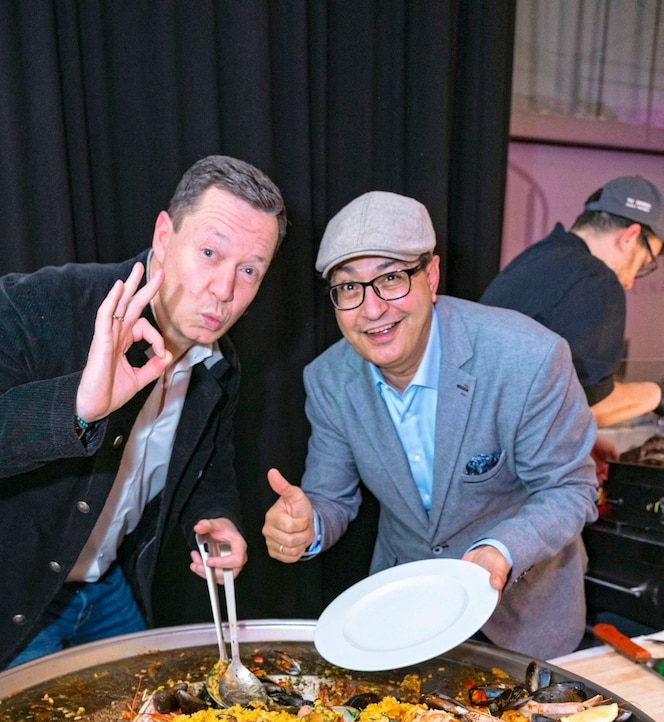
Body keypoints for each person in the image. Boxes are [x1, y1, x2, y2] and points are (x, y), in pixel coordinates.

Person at [0, 155, 286, 684]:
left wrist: (218, 519)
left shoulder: (218, 362)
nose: (225, 290)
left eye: (249, 269)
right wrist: (77, 407)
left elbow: (212, 464)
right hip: (10, 592)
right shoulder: (45, 303)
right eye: (210, 252)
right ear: (165, 235)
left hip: (108, 583)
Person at [262, 190, 598, 661]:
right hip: (408, 621)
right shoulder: (328, 379)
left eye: (392, 278)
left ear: (431, 276)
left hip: (525, 618)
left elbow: (570, 489)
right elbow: (332, 497)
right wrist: (306, 526)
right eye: (349, 288)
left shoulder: (528, 357)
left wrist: (500, 550)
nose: (372, 309)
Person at [480, 175, 664, 428]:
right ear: (630, 237)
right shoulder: (597, 280)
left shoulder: (539, 255)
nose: (631, 282)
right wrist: (658, 394)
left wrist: (585, 444)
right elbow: (588, 408)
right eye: (644, 264)